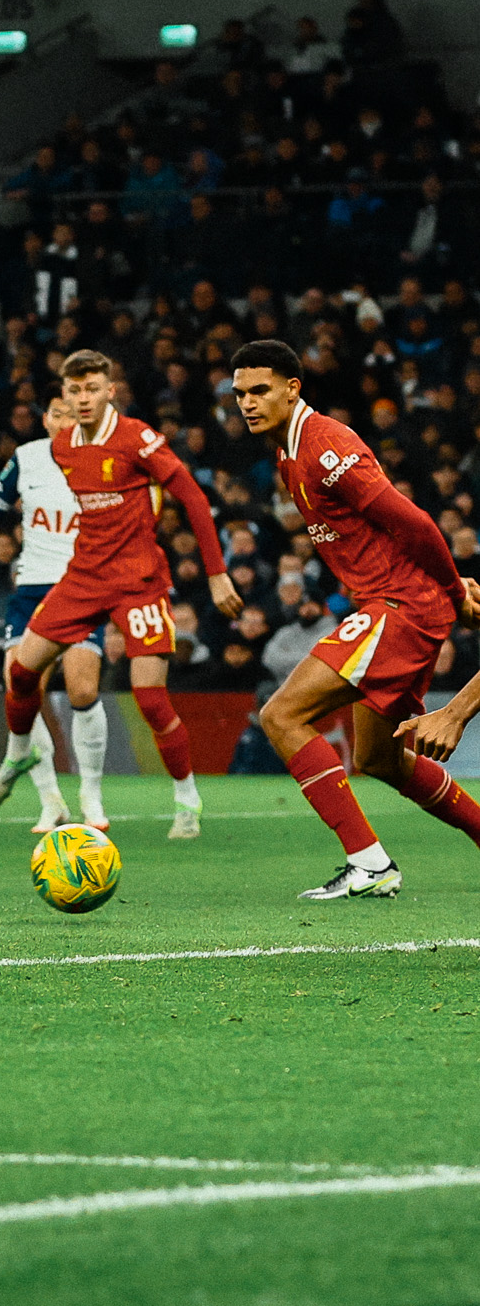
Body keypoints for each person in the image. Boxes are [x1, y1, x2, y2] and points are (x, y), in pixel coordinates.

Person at [233, 340, 480, 900]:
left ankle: (369, 863)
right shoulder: (286, 453)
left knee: (281, 715)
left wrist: (447, 589)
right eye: (240, 393)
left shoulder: (323, 446)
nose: (248, 403)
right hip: (396, 601)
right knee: (378, 757)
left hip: (401, 606)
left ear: (293, 388)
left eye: (260, 390)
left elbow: (412, 521)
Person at [0, 349, 243, 838]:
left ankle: (186, 797)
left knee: (150, 698)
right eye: (75, 390)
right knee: (22, 670)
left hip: (139, 582)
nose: (83, 398)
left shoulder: (138, 439)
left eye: (92, 389)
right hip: (83, 578)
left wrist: (216, 573)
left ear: (110, 391)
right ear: (65, 395)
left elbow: (190, 494)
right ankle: (20, 753)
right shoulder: (63, 447)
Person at [0, 396, 102, 831]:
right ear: (45, 420)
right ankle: (51, 801)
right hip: (32, 588)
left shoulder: (99, 461)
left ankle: (91, 796)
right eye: (56, 415)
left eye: (71, 415)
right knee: (21, 689)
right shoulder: (26, 458)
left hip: (81, 586)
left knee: (81, 689)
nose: (63, 422)